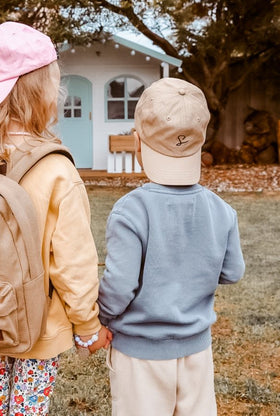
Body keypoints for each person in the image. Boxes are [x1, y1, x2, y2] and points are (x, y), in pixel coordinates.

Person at [0, 22, 111, 416]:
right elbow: (72, 263)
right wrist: (87, 326)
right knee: (29, 410)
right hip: (37, 326)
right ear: (43, 92)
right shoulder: (54, 169)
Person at [97, 77, 245, 416]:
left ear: (137, 142)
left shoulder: (130, 210)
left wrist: (101, 317)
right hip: (197, 352)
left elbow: (119, 286)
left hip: (139, 355)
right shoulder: (221, 209)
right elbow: (233, 271)